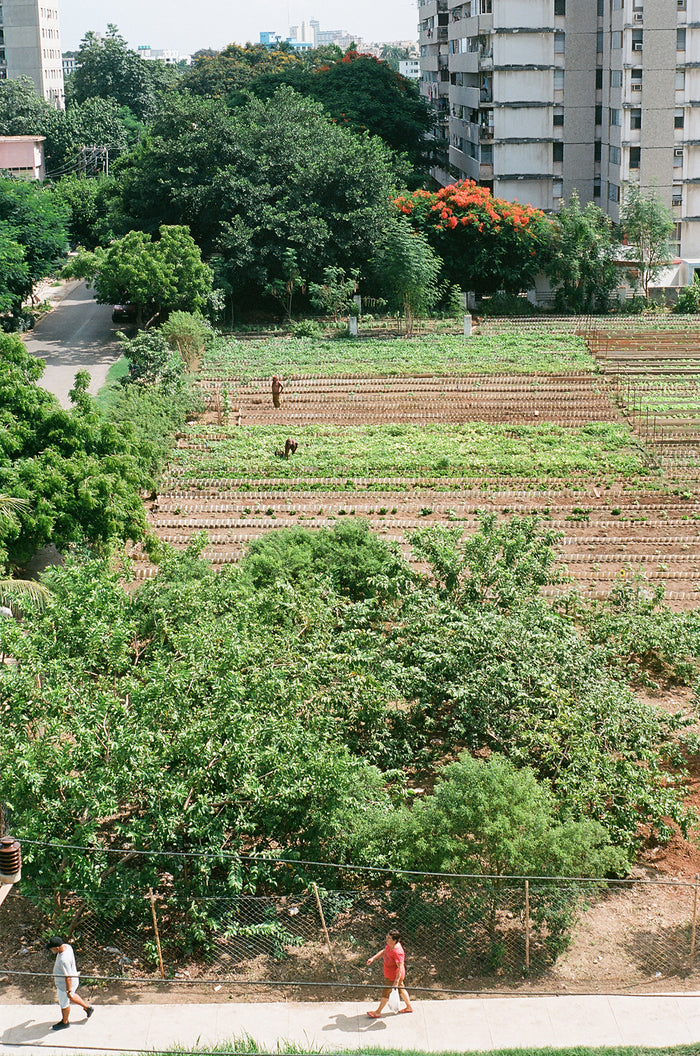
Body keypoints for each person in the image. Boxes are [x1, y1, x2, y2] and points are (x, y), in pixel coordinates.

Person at [46, 936, 94, 1030]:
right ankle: (87, 1008)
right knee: (72, 996)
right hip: (74, 980)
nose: (50, 951)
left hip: (65, 985)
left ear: (57, 948)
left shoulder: (63, 960)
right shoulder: (67, 947)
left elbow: (68, 977)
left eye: (51, 949)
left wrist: (68, 991)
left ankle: (65, 1022)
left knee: (64, 1004)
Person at [366, 928, 413, 1017]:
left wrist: (395, 981)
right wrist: (373, 958)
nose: (386, 939)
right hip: (392, 975)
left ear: (395, 940)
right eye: (387, 937)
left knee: (386, 993)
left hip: (393, 977)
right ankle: (409, 1007)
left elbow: (400, 968)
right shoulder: (389, 945)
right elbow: (384, 951)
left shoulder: (397, 952)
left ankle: (378, 1012)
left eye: (389, 938)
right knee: (401, 990)